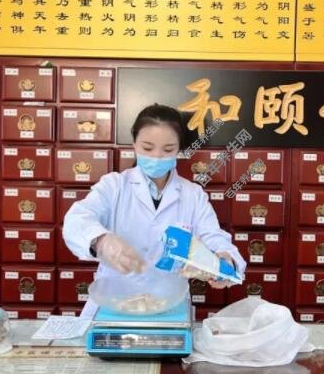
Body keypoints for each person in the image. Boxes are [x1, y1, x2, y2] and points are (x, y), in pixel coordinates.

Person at [63, 104, 246, 318]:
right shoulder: (114, 186)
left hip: (169, 304)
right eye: (148, 148)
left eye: (168, 150)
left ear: (178, 149)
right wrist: (102, 241)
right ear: (134, 144)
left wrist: (224, 260)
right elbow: (77, 218)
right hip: (113, 303)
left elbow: (213, 236)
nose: (157, 156)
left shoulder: (193, 195)